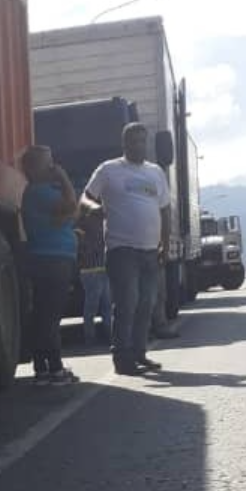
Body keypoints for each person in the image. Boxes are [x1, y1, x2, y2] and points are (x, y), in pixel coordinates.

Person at [82, 122, 170, 375]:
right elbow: (85, 198)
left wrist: (164, 242)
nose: (140, 146)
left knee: (147, 303)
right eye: (134, 141)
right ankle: (122, 358)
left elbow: (164, 209)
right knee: (127, 302)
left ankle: (140, 353)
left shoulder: (155, 173)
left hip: (150, 250)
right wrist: (93, 208)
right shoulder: (109, 170)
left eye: (143, 141)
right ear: (125, 144)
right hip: (122, 249)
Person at [20, 145, 81, 386]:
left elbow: (65, 216)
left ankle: (42, 368)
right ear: (34, 169)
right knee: (50, 317)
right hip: (54, 259)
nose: (53, 167)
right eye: (49, 163)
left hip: (43, 257)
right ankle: (55, 368)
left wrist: (67, 215)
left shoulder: (35, 193)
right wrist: (65, 179)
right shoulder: (40, 192)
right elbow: (71, 207)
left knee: (42, 314)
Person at [76, 205, 112, 346]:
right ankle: (90, 337)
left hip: (101, 268)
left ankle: (106, 335)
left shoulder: (101, 223)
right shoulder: (84, 224)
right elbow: (80, 245)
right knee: (94, 305)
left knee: (105, 305)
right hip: (90, 270)